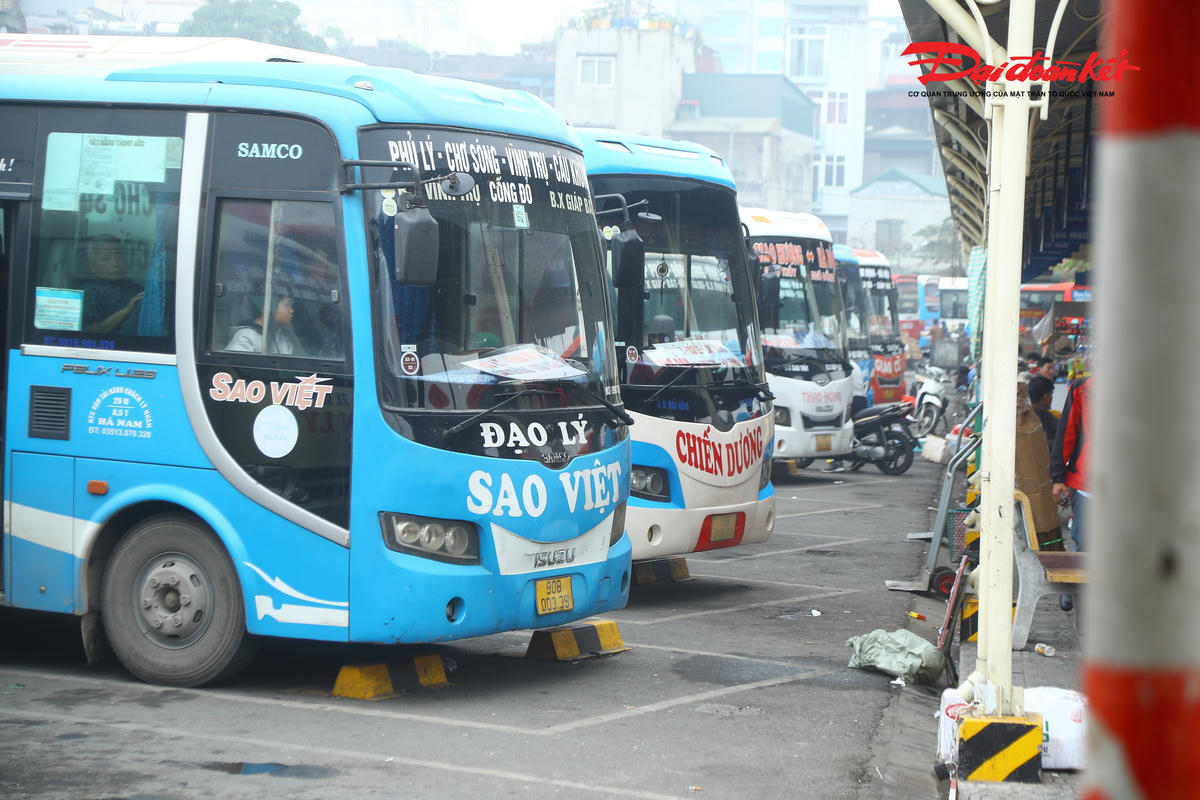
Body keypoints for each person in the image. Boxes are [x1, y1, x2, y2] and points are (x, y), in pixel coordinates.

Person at [1049, 374, 1091, 611]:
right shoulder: (1083, 389)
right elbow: (1067, 433)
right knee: (1083, 540)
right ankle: (1073, 590)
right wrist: (1058, 477)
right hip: (1089, 484)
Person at [77, 234, 144, 334]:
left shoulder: (138, 290)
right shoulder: (88, 293)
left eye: (120, 256)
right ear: (92, 267)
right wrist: (125, 311)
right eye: (106, 259)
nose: (116, 263)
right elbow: (87, 332)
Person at [226, 290, 301, 355]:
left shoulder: (281, 335)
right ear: (269, 306)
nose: (292, 310)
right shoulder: (246, 337)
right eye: (287, 305)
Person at [1027, 375, 1057, 450]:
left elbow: (1061, 427)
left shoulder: (1043, 412)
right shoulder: (1027, 416)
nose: (1052, 398)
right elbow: (1039, 446)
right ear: (1045, 397)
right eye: (1051, 394)